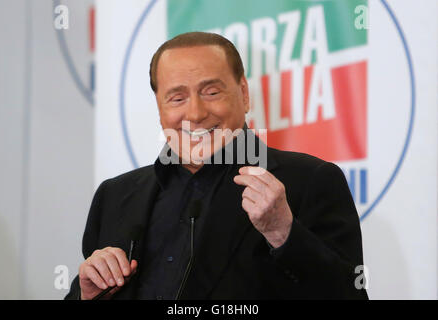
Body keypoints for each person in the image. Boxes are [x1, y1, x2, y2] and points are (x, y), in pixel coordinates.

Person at [65, 32, 368, 300]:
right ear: (159, 105)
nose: (195, 113)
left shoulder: (309, 181)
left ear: (244, 94)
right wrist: (87, 295)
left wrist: (283, 233)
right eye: (177, 97)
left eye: (211, 92)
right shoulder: (114, 195)